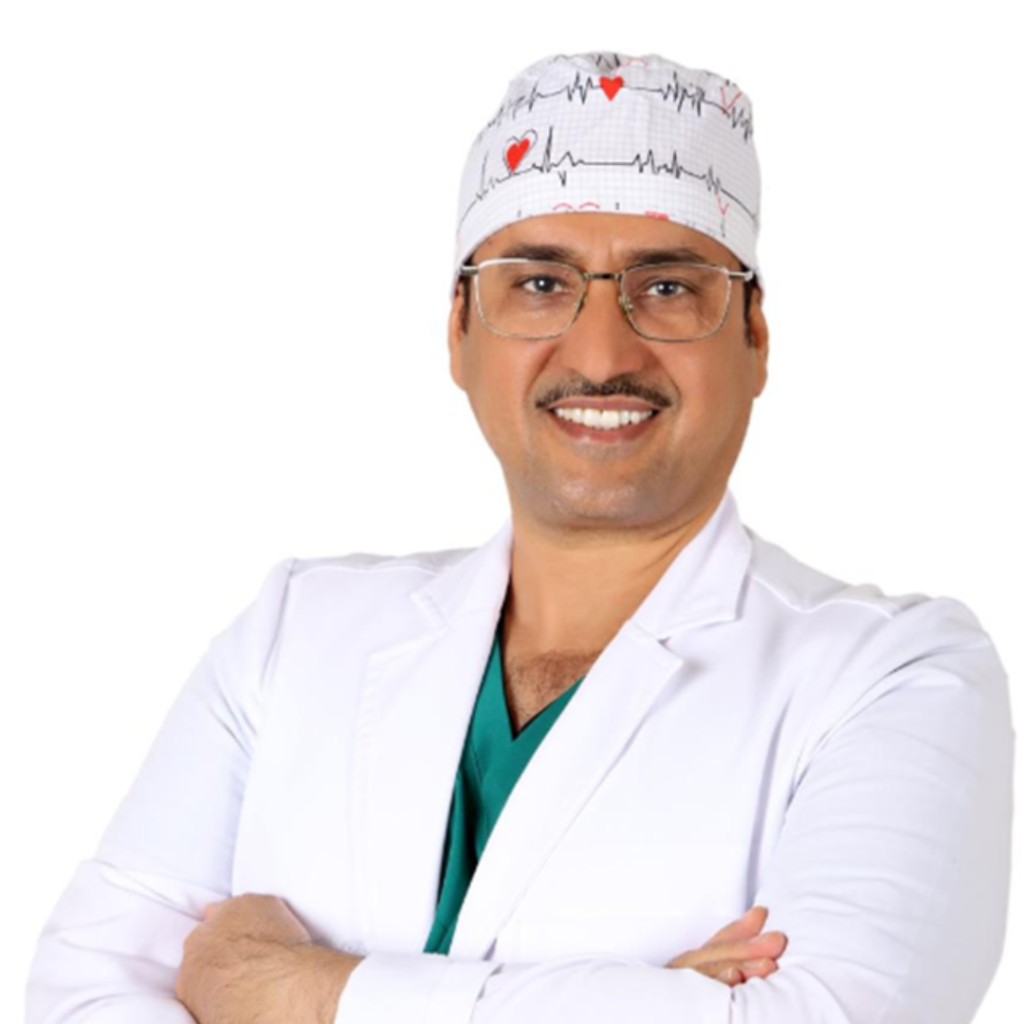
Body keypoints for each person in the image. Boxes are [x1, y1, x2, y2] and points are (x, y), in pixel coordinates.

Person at [26, 51, 1013, 1024]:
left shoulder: (895, 674)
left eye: (668, 287)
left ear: (754, 334)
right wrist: (646, 999)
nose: (601, 351)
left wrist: (288, 987)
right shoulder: (293, 633)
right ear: (459, 329)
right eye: (539, 283)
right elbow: (74, 997)